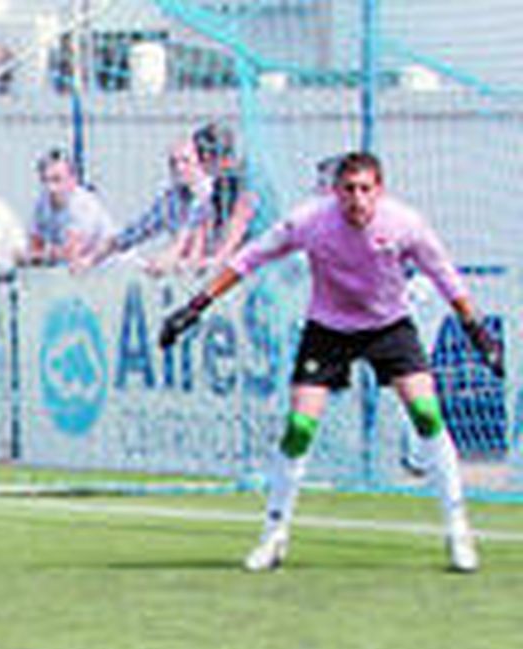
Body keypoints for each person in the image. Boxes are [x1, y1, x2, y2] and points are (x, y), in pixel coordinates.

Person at [159, 149, 505, 573]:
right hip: (328, 329)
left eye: (365, 190)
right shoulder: (310, 221)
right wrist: (195, 306)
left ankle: (458, 531)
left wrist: (477, 331)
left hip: (389, 326)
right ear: (335, 192)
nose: (357, 199)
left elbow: (443, 272)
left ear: (380, 190)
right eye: (349, 190)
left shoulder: (405, 224)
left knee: (427, 414)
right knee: (300, 426)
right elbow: (250, 257)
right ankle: (274, 535)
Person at [76, 137, 208, 274]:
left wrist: (169, 258)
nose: (179, 168)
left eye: (186, 161)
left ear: (203, 163)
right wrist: (91, 259)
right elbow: (134, 233)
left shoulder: (210, 193)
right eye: (173, 163)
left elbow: (187, 235)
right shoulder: (172, 200)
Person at [178, 121, 260, 274]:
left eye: (199, 157)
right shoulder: (214, 184)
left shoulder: (244, 180)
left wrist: (221, 257)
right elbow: (204, 222)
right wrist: (195, 254)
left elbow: (240, 221)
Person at [18, 148, 114, 268]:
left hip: (111, 270)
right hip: (81, 274)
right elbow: (34, 247)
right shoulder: (42, 203)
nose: (50, 188)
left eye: (57, 180)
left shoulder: (82, 204)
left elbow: (71, 253)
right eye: (45, 180)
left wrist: (40, 255)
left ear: (72, 180)